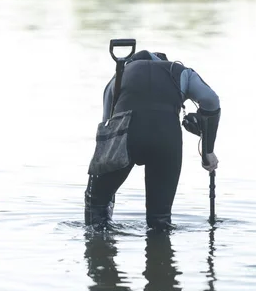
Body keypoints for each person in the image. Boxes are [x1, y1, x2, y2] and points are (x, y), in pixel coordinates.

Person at [84, 49, 221, 230]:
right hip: (167, 138)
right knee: (160, 220)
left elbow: (106, 123)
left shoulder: (119, 75)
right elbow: (211, 101)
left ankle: (99, 247)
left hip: (126, 136)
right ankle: (161, 251)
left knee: (96, 206)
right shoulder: (181, 72)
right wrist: (207, 150)